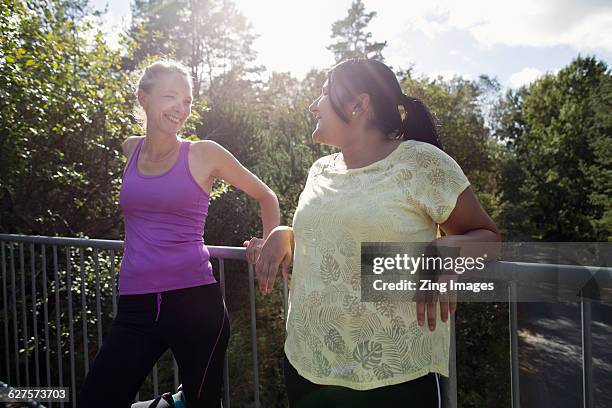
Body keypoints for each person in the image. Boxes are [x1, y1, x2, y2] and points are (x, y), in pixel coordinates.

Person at [253, 58, 501, 407]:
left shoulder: (421, 163)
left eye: (324, 94)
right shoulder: (319, 169)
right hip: (308, 366)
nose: (313, 105)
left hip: (395, 377)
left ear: (359, 104)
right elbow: (331, 236)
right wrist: (285, 233)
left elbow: (487, 238)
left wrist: (444, 253)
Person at [76, 60, 279, 408]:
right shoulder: (130, 148)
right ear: (144, 98)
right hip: (136, 306)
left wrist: (269, 242)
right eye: (171, 96)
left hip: (196, 305)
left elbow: (266, 196)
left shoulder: (203, 153)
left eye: (187, 101)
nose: (181, 108)